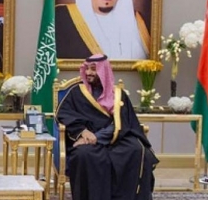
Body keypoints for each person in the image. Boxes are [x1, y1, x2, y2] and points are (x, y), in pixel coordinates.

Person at [55, 54, 158, 200]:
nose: (88, 73)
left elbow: (123, 122)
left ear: (103, 71)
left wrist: (98, 137)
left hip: (116, 137)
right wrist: (82, 131)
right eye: (87, 69)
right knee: (83, 155)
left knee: (138, 151)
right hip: (87, 140)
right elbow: (63, 114)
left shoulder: (118, 95)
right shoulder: (76, 93)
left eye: (93, 69)